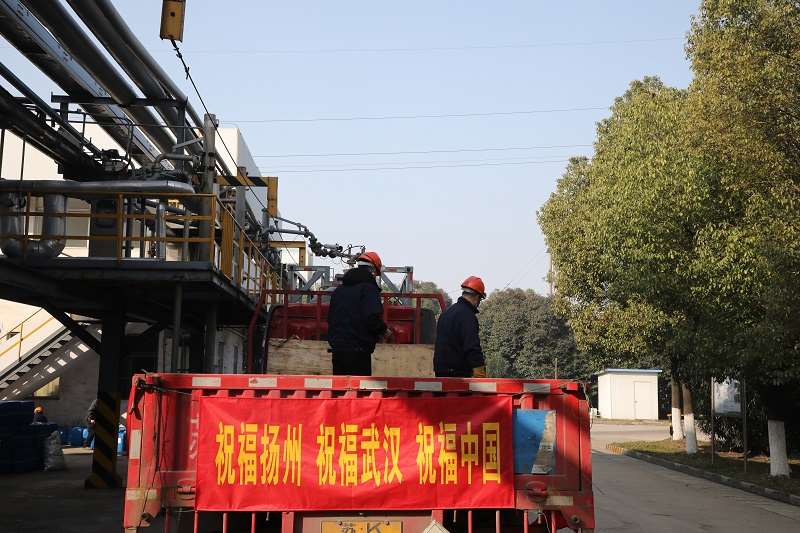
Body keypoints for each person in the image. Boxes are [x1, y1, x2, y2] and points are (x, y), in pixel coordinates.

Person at [327, 251, 390, 375]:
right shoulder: (369, 289)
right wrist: (384, 331)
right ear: (373, 271)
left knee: (340, 386)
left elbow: (330, 319)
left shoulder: (338, 291)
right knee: (359, 387)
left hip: (338, 352)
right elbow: (371, 318)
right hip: (359, 352)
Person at [433, 276, 487, 377]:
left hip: (440, 372)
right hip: (458, 374)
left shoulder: (446, 313)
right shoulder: (468, 316)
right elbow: (472, 346)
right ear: (477, 297)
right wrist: (479, 371)